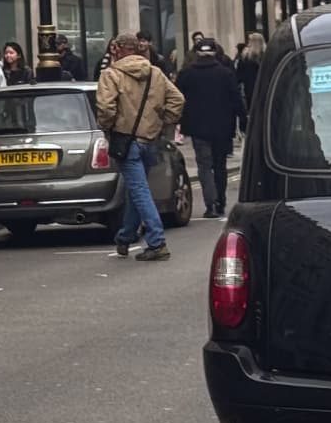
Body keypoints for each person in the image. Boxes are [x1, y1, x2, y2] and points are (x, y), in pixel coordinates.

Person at [95, 35, 187, 261]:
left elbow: (106, 108)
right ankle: (125, 237)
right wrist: (164, 120)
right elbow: (178, 99)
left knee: (140, 191)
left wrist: (106, 127)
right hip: (150, 140)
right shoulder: (155, 72)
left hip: (126, 141)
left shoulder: (111, 74)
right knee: (135, 189)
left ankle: (157, 242)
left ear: (117, 49)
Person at [176, 37, 242, 219]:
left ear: (197, 53)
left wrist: (179, 120)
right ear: (215, 53)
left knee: (204, 166)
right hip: (222, 127)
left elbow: (176, 98)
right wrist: (242, 121)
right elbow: (236, 100)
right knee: (220, 165)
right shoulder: (226, 74)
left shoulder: (187, 74)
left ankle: (211, 204)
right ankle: (220, 201)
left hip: (198, 128)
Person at [236, 32, 265, 124]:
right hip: (264, 88)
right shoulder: (266, 56)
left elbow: (239, 75)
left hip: (250, 89)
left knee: (253, 113)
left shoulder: (245, 57)